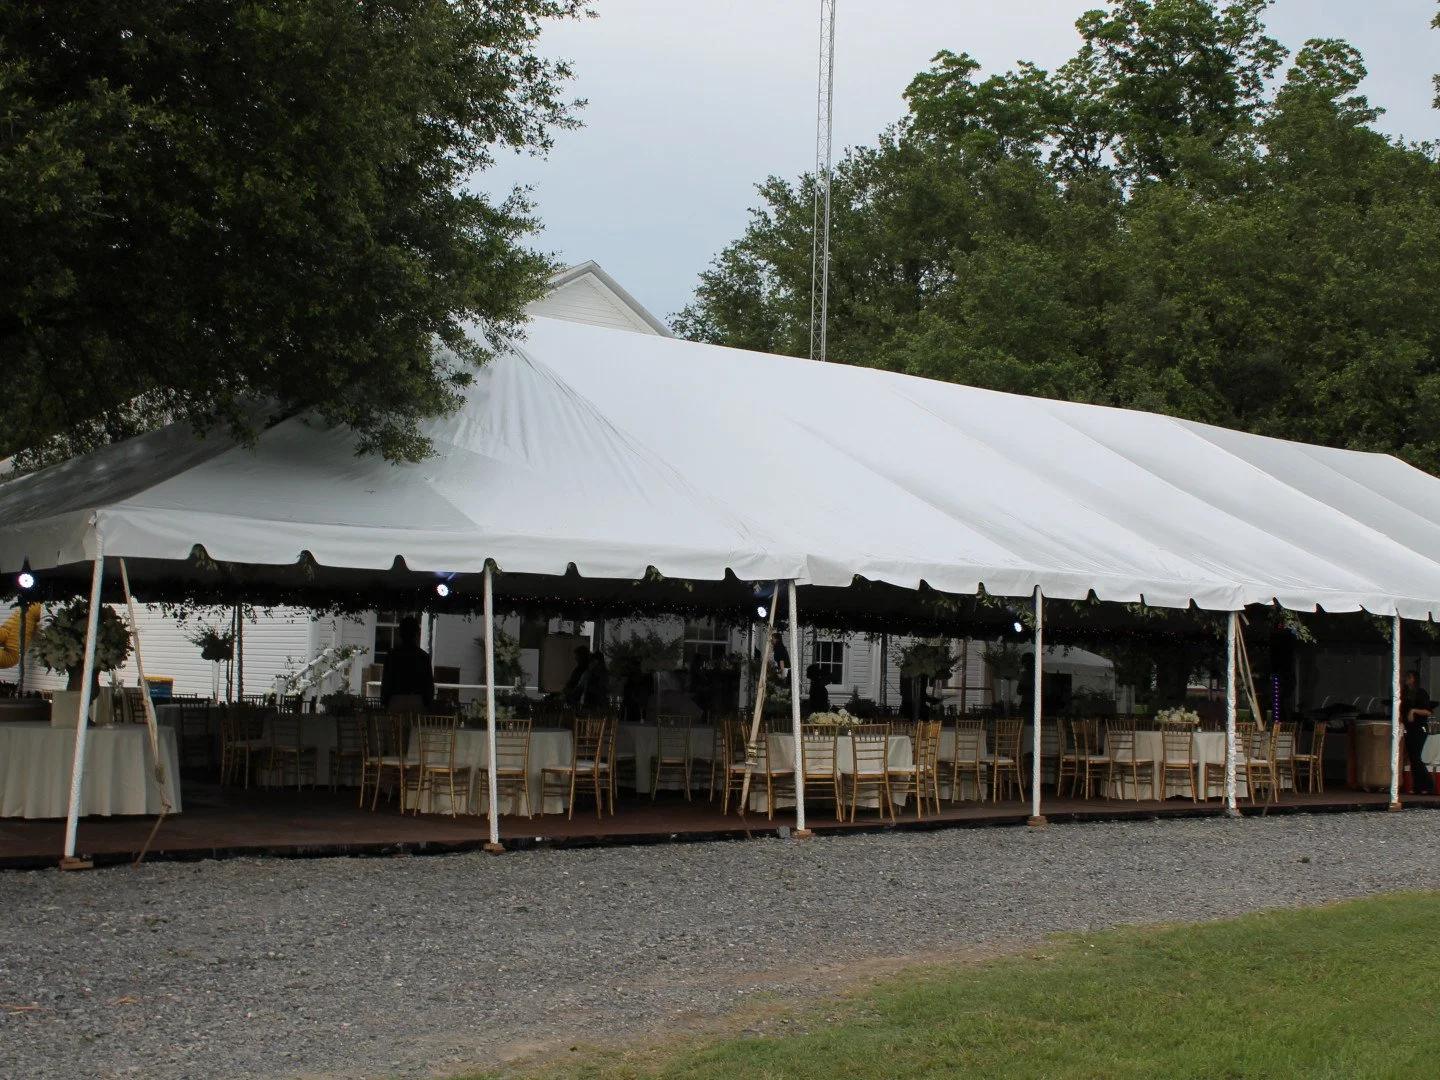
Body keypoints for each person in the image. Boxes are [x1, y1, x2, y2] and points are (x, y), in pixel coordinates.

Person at [380, 616, 434, 712]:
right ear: (417, 633)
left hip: (395, 699)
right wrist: (427, 702)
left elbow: (386, 681)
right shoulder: (423, 657)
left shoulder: (392, 655)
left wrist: (384, 701)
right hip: (417, 700)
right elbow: (428, 684)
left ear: (400, 633)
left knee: (396, 727)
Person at [1401, 670, 1435, 795]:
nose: (1406, 679)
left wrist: (1413, 711)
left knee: (1416, 757)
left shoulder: (1421, 693)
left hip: (1419, 728)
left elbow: (1428, 711)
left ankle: (1429, 785)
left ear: (1414, 679)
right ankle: (1418, 786)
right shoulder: (1404, 694)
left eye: (1409, 677)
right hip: (1409, 728)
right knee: (1412, 758)